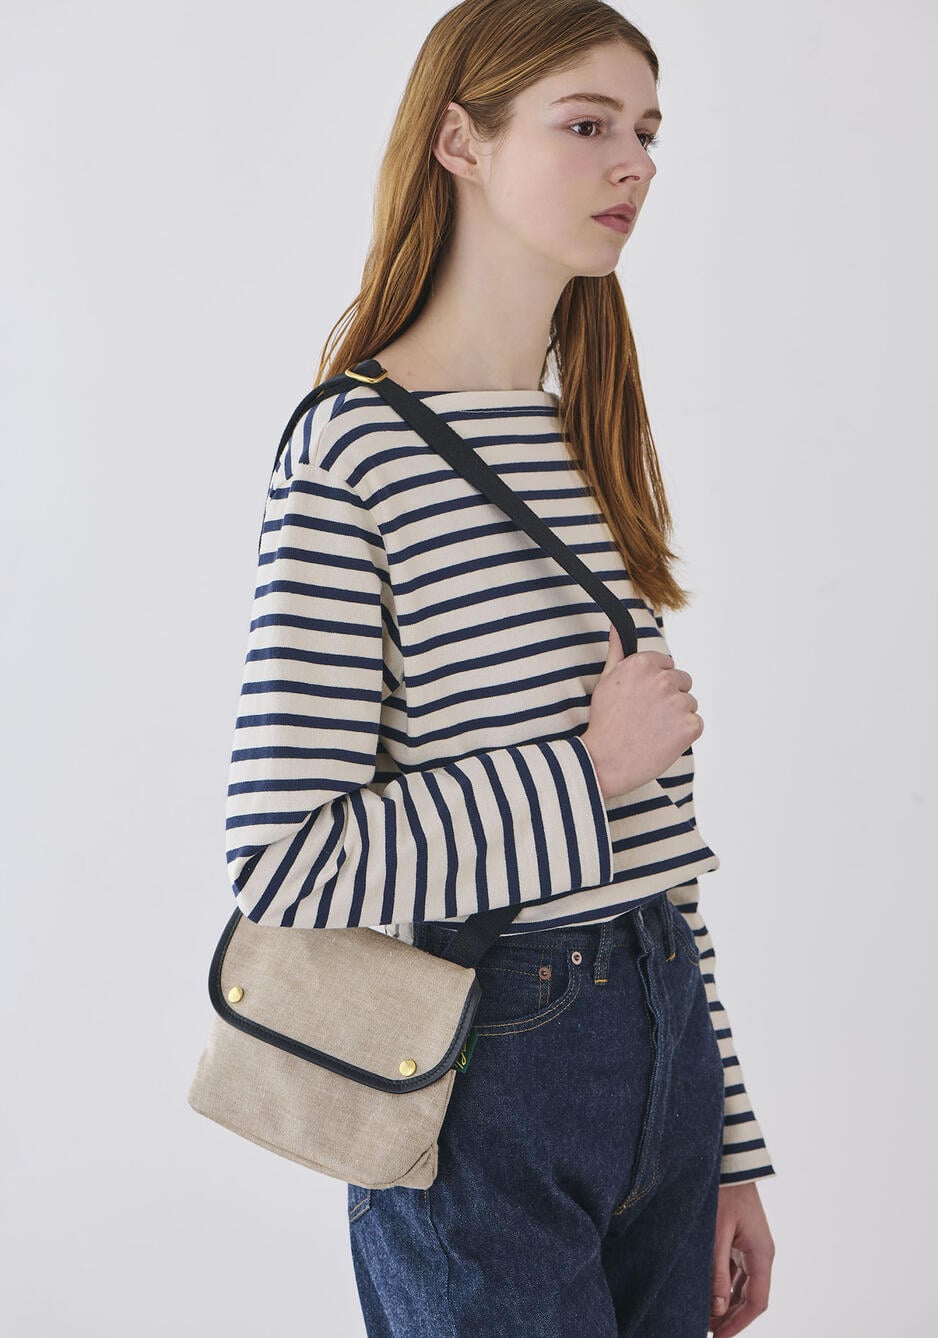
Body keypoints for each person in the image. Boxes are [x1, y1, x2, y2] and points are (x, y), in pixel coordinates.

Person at [224, 2, 776, 1333]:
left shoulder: (581, 438)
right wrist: (583, 770)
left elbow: (657, 847)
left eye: (646, 130)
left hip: (662, 1047)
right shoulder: (352, 451)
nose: (635, 162)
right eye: (586, 124)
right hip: (481, 1068)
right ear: (459, 142)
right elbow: (283, 860)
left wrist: (731, 1146)